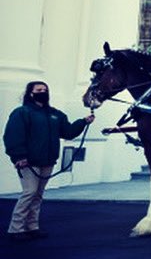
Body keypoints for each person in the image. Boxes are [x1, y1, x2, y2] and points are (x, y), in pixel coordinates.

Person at [4, 81, 94, 242]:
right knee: (29, 193)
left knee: (38, 195)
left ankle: (32, 227)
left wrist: (83, 122)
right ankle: (15, 229)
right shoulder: (22, 112)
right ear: (30, 93)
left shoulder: (55, 114)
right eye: (38, 90)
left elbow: (68, 132)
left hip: (48, 161)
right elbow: (13, 135)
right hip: (28, 162)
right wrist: (19, 157)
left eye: (45, 90)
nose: (43, 92)